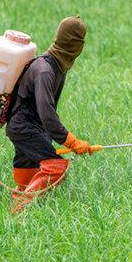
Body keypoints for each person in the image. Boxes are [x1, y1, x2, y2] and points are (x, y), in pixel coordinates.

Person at [5, 16, 92, 213]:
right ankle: (20, 208)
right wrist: (71, 141)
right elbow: (47, 114)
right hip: (24, 127)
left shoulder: (57, 66)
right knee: (56, 167)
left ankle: (16, 215)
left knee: (28, 170)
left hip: (28, 127)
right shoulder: (45, 70)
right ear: (76, 46)